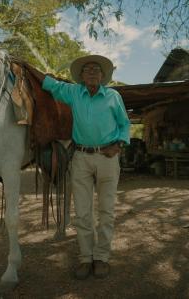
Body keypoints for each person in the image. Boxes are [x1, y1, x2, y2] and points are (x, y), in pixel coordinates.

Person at [41, 54, 130, 280]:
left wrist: (118, 144)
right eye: (87, 69)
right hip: (80, 156)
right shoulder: (73, 93)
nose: (92, 72)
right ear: (81, 76)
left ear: (103, 75)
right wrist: (20, 65)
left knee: (107, 210)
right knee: (82, 212)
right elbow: (48, 82)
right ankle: (85, 258)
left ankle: (101, 258)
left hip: (108, 158)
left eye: (96, 69)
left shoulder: (113, 96)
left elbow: (124, 124)